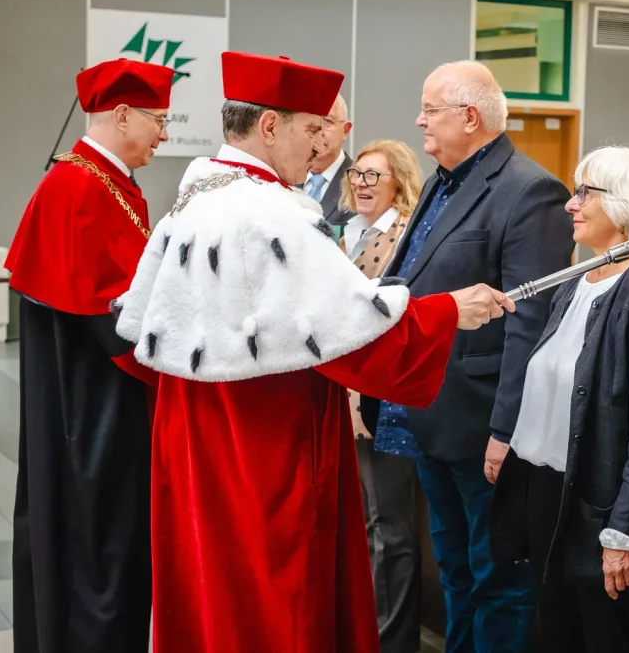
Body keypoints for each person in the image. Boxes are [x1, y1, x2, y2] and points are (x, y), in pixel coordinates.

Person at [111, 51, 513, 653]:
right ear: (269, 126)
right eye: (311, 128)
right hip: (265, 448)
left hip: (196, 440)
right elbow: (352, 338)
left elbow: (143, 324)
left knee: (208, 586)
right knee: (273, 600)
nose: (322, 146)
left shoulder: (193, 199)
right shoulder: (274, 214)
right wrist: (450, 310)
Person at [359, 60, 573, 653]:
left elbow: (531, 324)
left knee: (498, 582)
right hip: (431, 414)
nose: (419, 120)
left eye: (430, 110)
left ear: (470, 116)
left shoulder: (531, 191)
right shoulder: (438, 179)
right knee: (454, 574)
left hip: (483, 427)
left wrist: (507, 428)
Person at [4, 57, 173, 653]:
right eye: (159, 119)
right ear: (123, 113)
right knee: (97, 548)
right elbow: (109, 315)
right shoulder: (78, 185)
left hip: (96, 405)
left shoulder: (104, 180)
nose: (165, 133)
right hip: (92, 416)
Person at [488, 146, 629, 653]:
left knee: (604, 640)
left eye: (584, 192)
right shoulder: (577, 283)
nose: (570, 205)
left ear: (625, 205)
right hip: (550, 498)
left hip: (601, 512)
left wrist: (624, 532)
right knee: (553, 639)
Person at [337, 139, 425, 653]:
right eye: (359, 175)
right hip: (343, 397)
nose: (363, 183)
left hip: (384, 400)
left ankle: (393, 642)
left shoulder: (404, 233)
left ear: (399, 181)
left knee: (390, 529)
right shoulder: (346, 232)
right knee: (364, 524)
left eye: (375, 175)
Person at [300, 92, 355, 229]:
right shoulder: (284, 180)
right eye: (311, 122)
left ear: (345, 131)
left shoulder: (360, 182)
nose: (319, 131)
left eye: (327, 122)